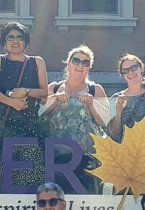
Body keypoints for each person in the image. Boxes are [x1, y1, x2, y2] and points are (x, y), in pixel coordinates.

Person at [0, 22, 49, 192]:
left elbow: (44, 92)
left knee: (29, 180)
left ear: (26, 42)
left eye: (20, 37)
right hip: (3, 127)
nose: (15, 41)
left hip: (30, 127)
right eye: (10, 37)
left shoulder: (37, 62)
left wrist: (25, 91)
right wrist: (11, 101)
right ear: (4, 41)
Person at [41, 45, 109, 194]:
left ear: (89, 67)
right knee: (56, 198)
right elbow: (39, 113)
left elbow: (105, 122)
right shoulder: (54, 87)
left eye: (85, 63)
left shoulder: (95, 89)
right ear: (68, 63)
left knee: (89, 200)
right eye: (76, 60)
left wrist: (92, 104)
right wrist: (56, 100)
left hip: (87, 157)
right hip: (56, 157)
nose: (80, 65)